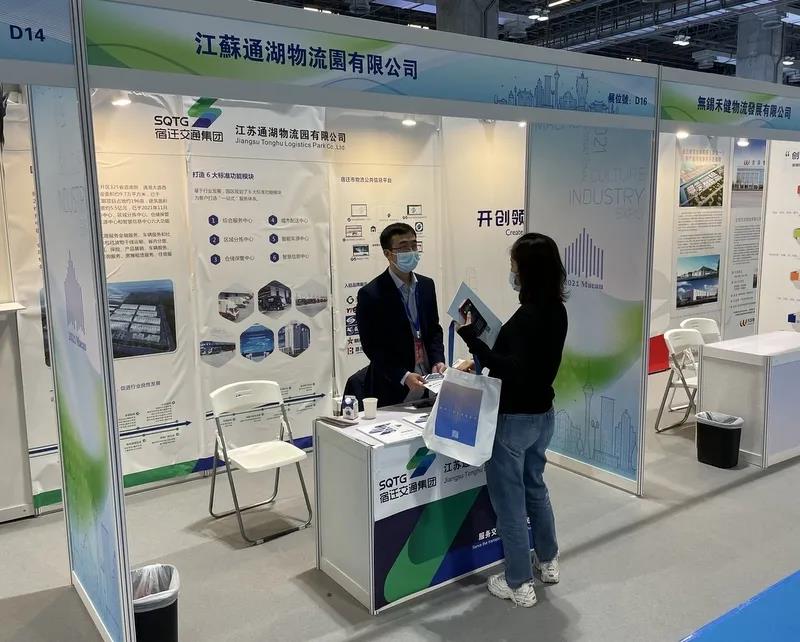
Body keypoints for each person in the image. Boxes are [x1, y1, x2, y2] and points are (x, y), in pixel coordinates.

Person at [457, 232, 568, 608]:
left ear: (528, 270)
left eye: (515, 265)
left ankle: (518, 582)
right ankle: (548, 560)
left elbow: (513, 369)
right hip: (542, 415)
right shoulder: (555, 310)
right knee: (535, 486)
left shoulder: (530, 316)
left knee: (509, 502)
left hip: (514, 419)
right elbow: (529, 362)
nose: (512, 272)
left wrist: (474, 340)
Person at [356, 223, 446, 408]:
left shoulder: (426, 285)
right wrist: (403, 376)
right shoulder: (371, 294)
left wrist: (438, 360)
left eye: (414, 245)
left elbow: (434, 330)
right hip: (393, 386)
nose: (411, 252)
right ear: (388, 254)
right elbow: (372, 347)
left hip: (429, 380)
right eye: (404, 247)